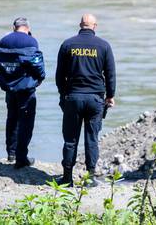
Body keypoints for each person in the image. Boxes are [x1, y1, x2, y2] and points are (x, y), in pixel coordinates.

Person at [56, 14, 116, 187]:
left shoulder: (68, 44)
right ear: (94, 26)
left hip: (73, 97)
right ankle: (90, 178)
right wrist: (110, 96)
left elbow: (60, 74)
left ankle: (67, 178)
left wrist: (63, 94)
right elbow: (110, 74)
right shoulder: (104, 46)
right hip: (95, 99)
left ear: (80, 25)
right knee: (92, 139)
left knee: (70, 139)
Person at [0, 17, 45, 169]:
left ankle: (11, 153)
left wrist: (6, 77)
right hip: (26, 88)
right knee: (26, 122)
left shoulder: (4, 41)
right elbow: (37, 63)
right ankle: (22, 157)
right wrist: (40, 78)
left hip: (9, 88)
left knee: (12, 118)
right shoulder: (31, 42)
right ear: (27, 28)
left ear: (14, 27)